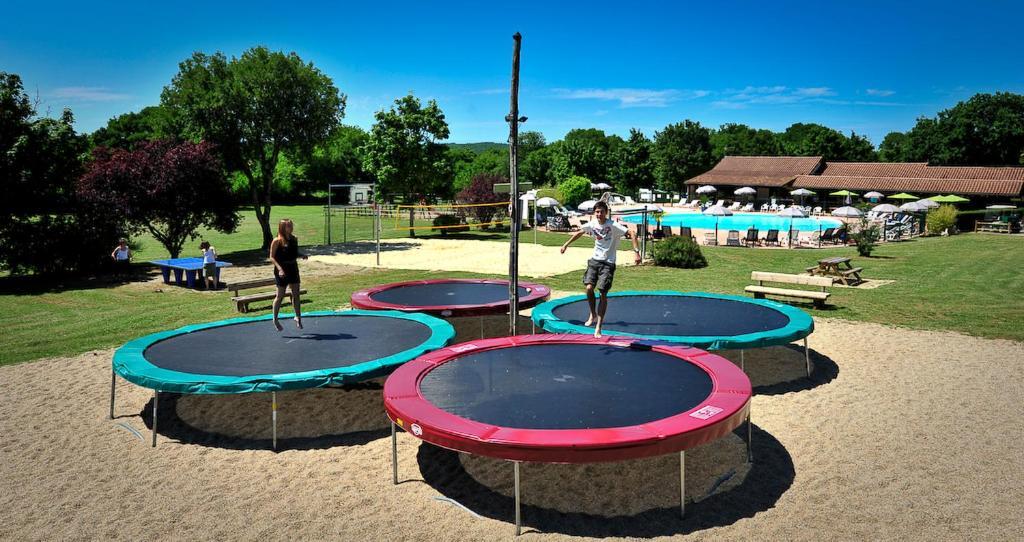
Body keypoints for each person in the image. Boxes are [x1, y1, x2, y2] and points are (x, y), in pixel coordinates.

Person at [560, 201, 641, 337]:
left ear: (606, 212)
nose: (599, 214)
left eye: (601, 212)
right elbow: (580, 232)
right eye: (597, 212)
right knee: (589, 288)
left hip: (608, 263)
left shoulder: (613, 225)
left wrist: (636, 252)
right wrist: (566, 244)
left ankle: (598, 327)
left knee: (603, 293)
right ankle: (593, 314)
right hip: (594, 261)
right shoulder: (593, 224)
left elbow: (632, 232)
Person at [269, 219, 307, 331]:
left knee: (296, 294)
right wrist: (280, 269)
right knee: (280, 296)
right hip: (281, 270)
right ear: (282, 227)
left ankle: (298, 317)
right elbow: (271, 257)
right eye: (288, 226)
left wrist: (302, 255)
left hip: (293, 268)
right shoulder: (277, 241)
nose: (291, 227)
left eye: (291, 225)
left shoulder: (294, 239)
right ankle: (275, 319)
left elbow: (294, 253)